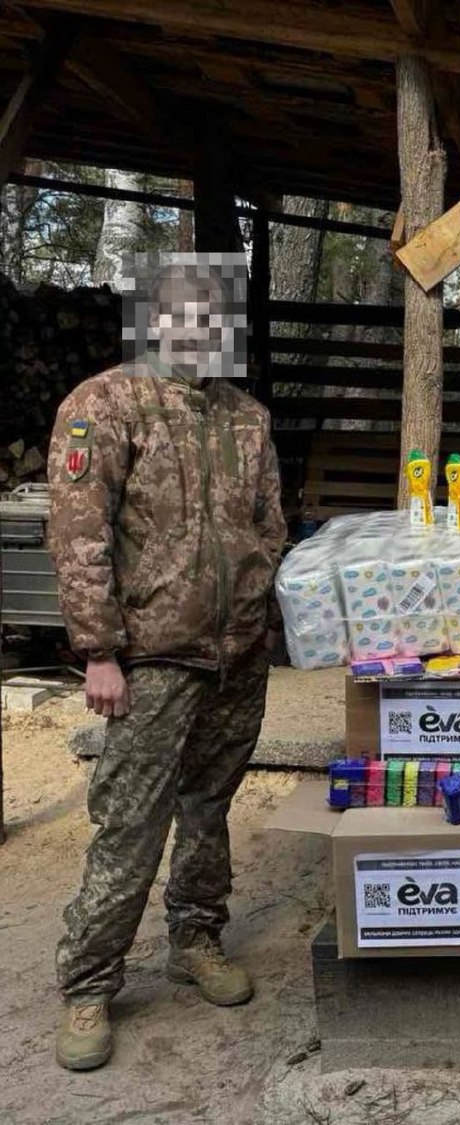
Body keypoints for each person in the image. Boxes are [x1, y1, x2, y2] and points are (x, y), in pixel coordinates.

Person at [47, 260, 287, 1071]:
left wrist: (256, 614)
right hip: (150, 658)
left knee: (209, 807)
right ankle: (89, 983)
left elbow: (269, 525)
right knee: (131, 822)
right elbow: (78, 534)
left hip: (236, 656)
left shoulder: (247, 418)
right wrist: (99, 650)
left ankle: (196, 937)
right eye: (181, 314)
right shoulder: (105, 403)